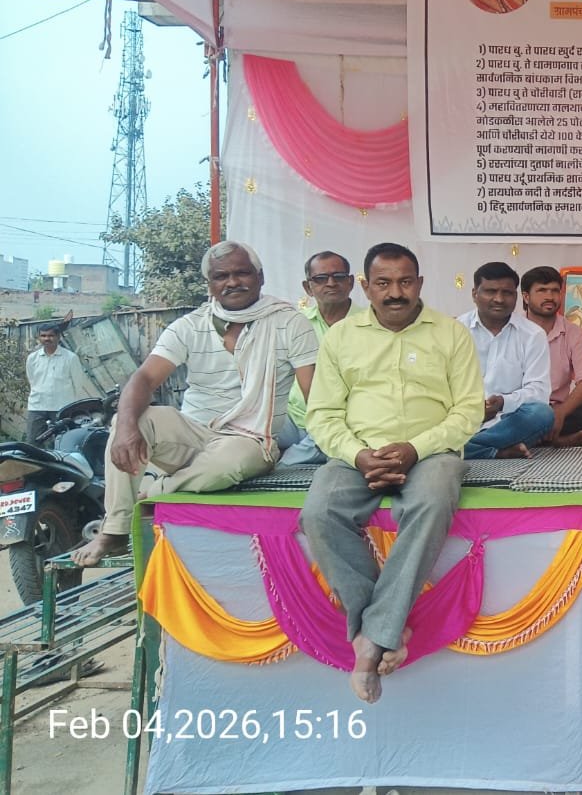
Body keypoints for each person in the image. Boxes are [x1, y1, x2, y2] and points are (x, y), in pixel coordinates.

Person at [302, 243, 484, 703]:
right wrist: (358, 454)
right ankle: (384, 627)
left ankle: (371, 638)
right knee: (320, 511)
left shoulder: (451, 334)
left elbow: (468, 411)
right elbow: (322, 414)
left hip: (431, 450)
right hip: (357, 453)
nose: (395, 293)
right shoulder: (341, 338)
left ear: (419, 284)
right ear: (366, 288)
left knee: (432, 501)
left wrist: (414, 448)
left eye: (405, 282)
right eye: (383, 283)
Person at [73, 242, 318, 567]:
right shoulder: (191, 325)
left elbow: (314, 391)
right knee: (128, 421)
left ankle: (156, 490)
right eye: (221, 276)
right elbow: (143, 379)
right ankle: (115, 530)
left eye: (242, 273)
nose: (232, 282)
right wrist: (126, 427)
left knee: (230, 459)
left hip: (251, 439)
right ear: (210, 284)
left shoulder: (289, 323)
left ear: (260, 277)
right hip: (193, 434)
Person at [458, 262, 554, 459]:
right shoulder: (456, 330)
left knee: (542, 414)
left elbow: (539, 392)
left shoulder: (533, 334)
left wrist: (503, 402)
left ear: (516, 297)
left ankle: (463, 449)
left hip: (506, 420)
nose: (499, 299)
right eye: (491, 291)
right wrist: (472, 410)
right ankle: (491, 450)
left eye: (507, 293)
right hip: (460, 418)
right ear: (475, 294)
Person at [280, 250, 356, 465]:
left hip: (341, 420)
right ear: (308, 287)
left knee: (288, 463)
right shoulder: (296, 324)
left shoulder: (369, 323)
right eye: (321, 278)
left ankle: (285, 462)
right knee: (250, 435)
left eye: (338, 276)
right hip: (293, 417)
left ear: (350, 282)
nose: (331, 283)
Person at [522, 266, 582, 446]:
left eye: (554, 291)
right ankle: (556, 439)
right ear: (526, 297)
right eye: (542, 290)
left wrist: (561, 412)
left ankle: (529, 438)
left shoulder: (574, 333)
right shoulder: (513, 330)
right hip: (520, 409)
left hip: (556, 409)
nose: (549, 297)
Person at [25, 323, 95, 445]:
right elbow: (32, 380)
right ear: (39, 337)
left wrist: (71, 407)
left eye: (51, 335)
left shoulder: (70, 358)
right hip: (37, 406)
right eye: (43, 336)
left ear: (58, 337)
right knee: (33, 443)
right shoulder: (32, 358)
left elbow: (78, 383)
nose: (47, 338)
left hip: (62, 408)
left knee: (63, 443)